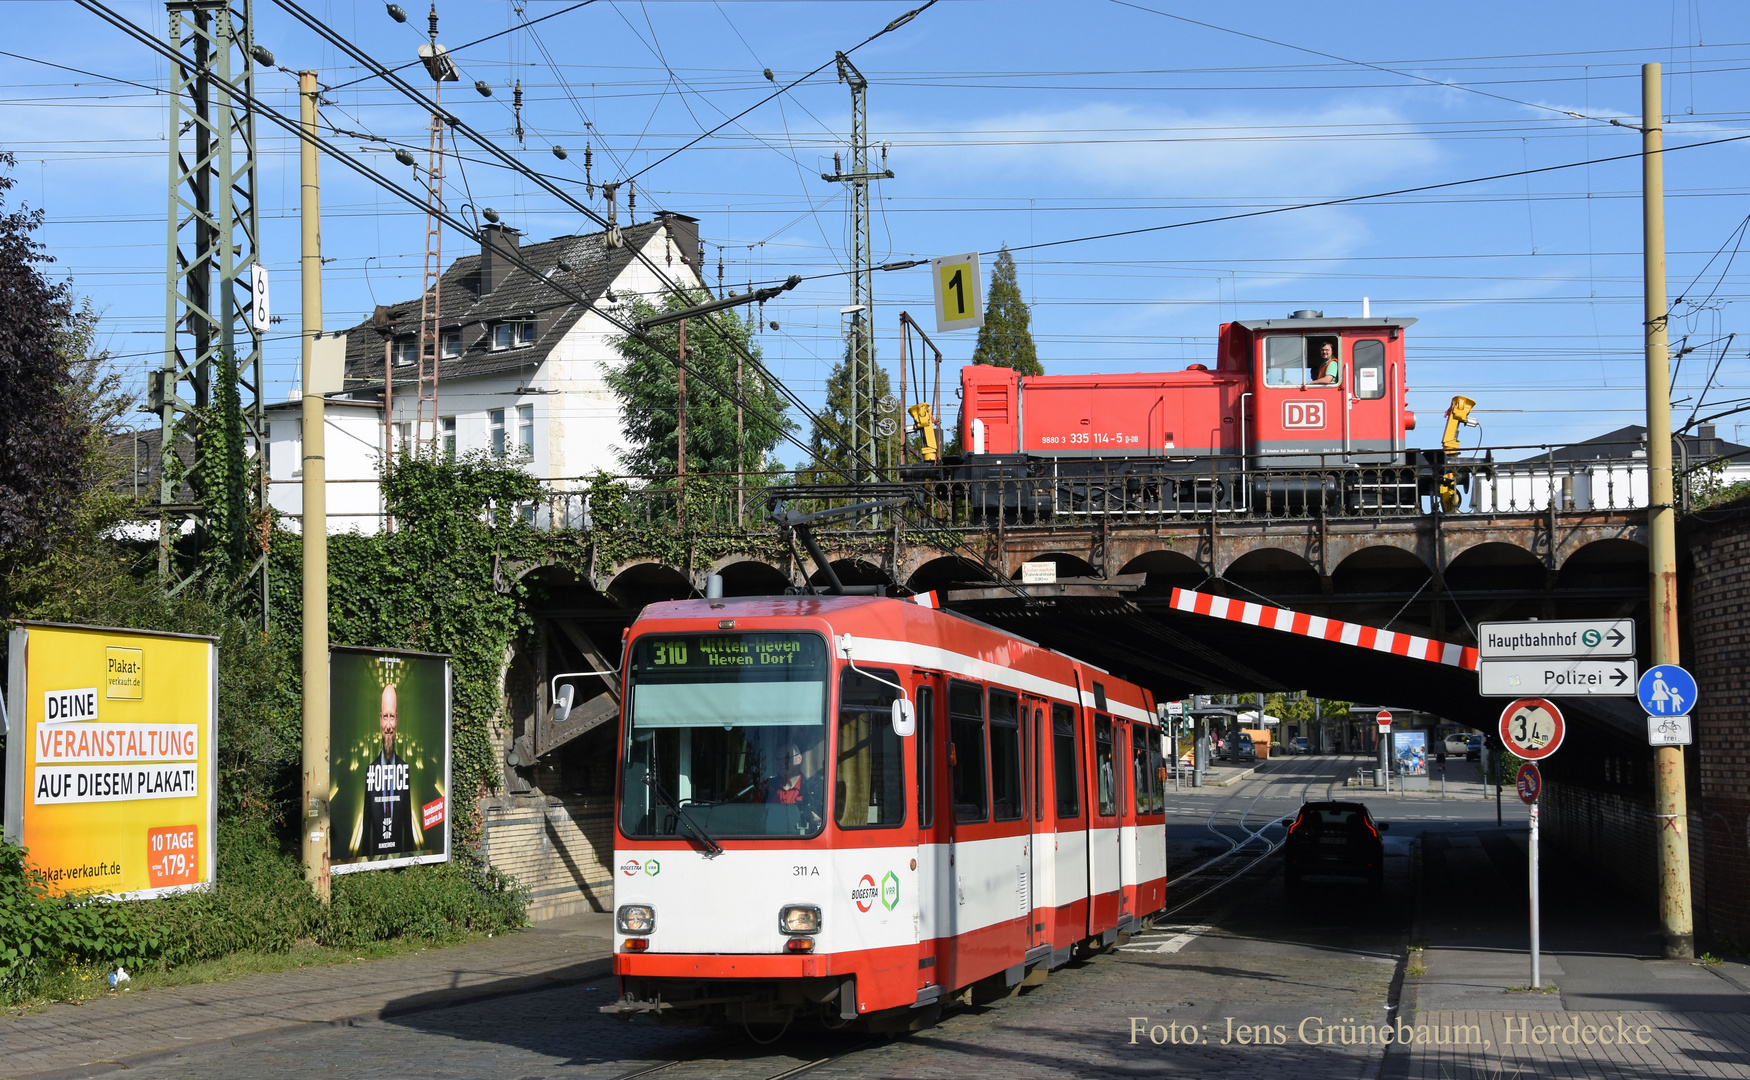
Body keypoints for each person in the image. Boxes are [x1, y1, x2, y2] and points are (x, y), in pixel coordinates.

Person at [365, 682, 415, 856]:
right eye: (385, 717)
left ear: (397, 719)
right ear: (379, 719)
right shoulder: (370, 770)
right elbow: (366, 826)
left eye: (391, 717)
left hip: (399, 857)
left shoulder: (404, 769)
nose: (388, 725)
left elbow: (408, 822)